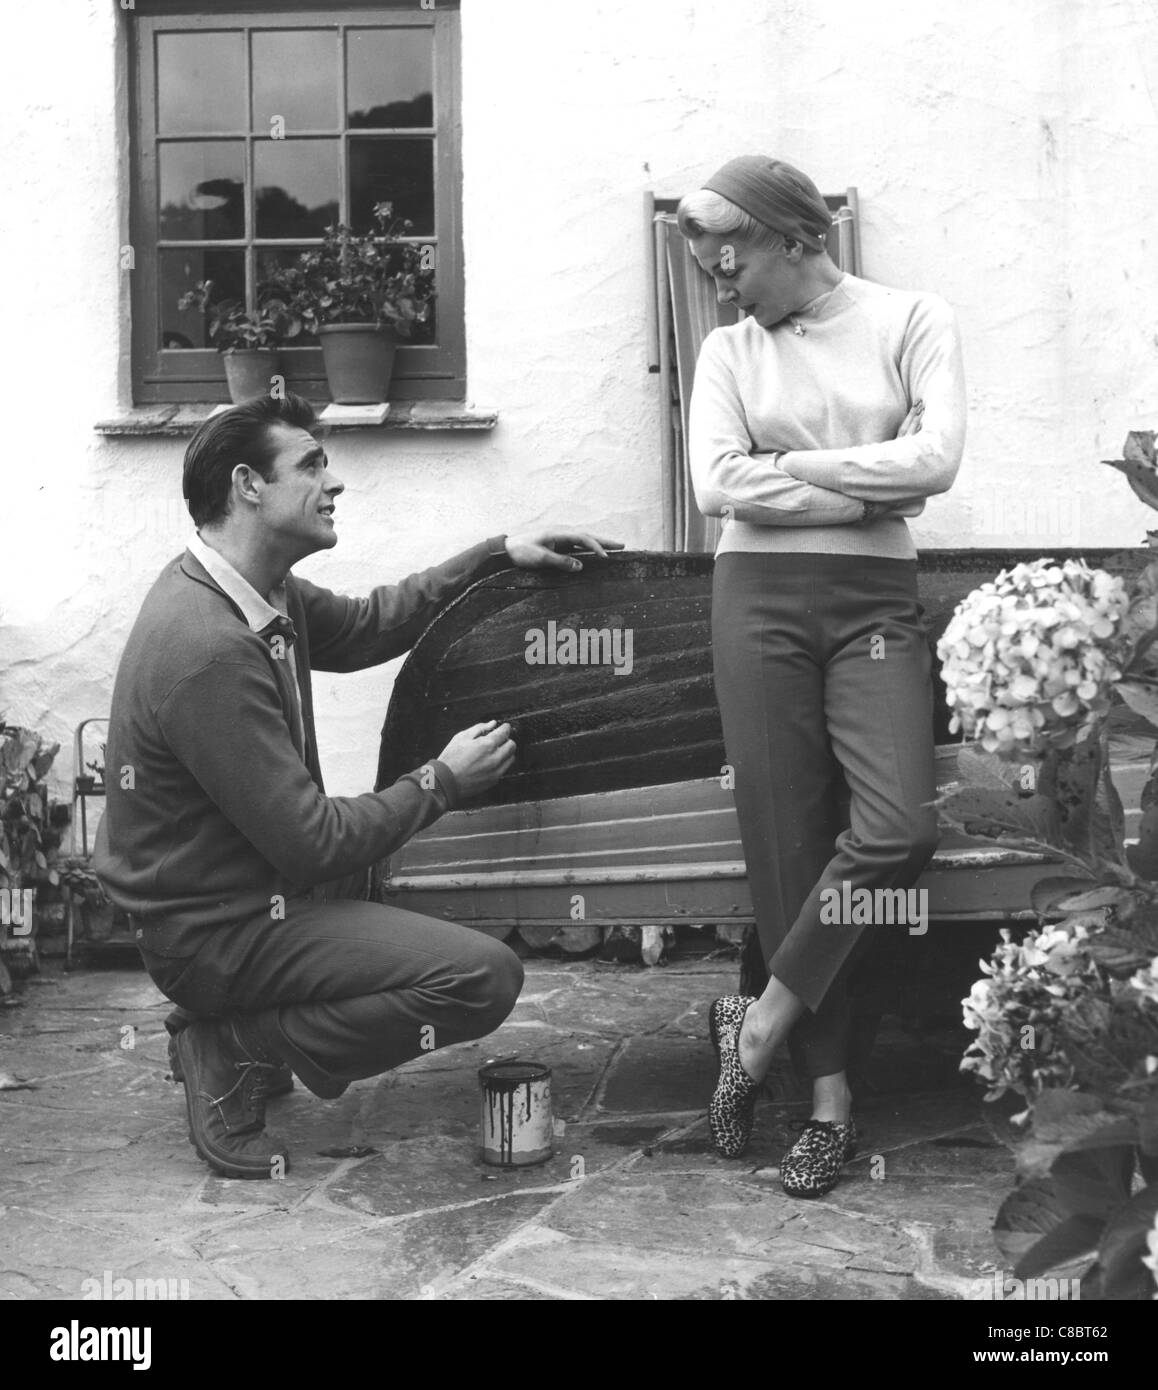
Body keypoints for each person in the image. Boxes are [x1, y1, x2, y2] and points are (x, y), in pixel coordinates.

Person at [93, 391, 620, 1180]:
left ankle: (249, 1026)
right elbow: (311, 844)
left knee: (387, 865)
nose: (334, 481)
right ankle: (232, 1043)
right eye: (310, 465)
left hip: (250, 894)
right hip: (213, 931)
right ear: (248, 485)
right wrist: (440, 781)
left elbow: (375, 621)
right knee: (480, 977)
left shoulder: (260, 590)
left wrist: (497, 553)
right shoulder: (206, 646)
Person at [679, 155, 966, 1197]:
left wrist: (789, 469)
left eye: (734, 247)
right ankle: (828, 1103)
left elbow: (936, 461)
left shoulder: (912, 319)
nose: (719, 272)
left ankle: (754, 1023)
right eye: (706, 251)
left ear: (799, 237)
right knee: (788, 846)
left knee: (896, 826)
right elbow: (717, 484)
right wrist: (860, 482)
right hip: (752, 601)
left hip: (875, 606)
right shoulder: (725, 351)